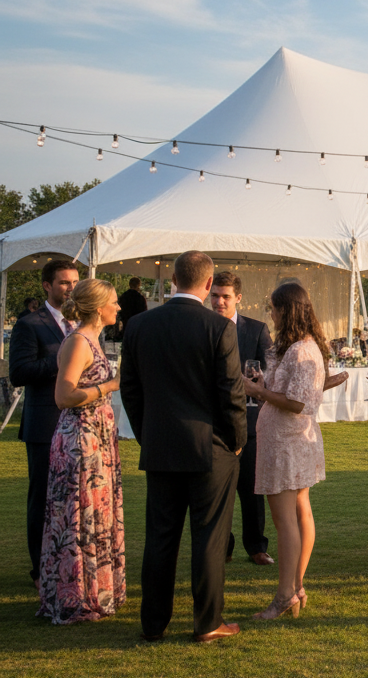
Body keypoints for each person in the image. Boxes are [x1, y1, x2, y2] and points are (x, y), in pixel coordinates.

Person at [121, 251, 248, 643]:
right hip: (211, 449)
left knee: (161, 536)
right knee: (209, 537)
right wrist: (237, 441)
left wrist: (148, 434)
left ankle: (153, 623)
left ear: (173, 279)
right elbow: (232, 394)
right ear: (209, 284)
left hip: (161, 446)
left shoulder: (140, 325)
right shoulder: (219, 327)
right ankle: (208, 622)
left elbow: (131, 390)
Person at [36, 279, 125, 624]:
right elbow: (63, 397)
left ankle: (95, 590)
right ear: (98, 306)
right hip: (79, 441)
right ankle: (75, 596)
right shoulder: (78, 342)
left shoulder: (92, 340)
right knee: (78, 518)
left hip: (95, 437)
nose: (118, 308)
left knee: (94, 515)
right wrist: (110, 385)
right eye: (114, 302)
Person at [244, 282, 329, 620]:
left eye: (274, 309)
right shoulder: (298, 347)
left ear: (287, 310)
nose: (271, 314)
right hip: (287, 438)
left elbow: (297, 403)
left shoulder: (301, 350)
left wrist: (255, 390)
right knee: (298, 513)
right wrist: (265, 384)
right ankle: (295, 587)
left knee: (286, 520)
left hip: (288, 441)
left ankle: (285, 596)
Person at [9, 259, 80, 589]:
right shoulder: (29, 324)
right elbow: (19, 373)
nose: (71, 288)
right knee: (43, 498)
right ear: (47, 286)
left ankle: (66, 562)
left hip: (76, 424)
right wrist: (64, 360)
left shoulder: (79, 323)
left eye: (74, 282)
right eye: (64, 282)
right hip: (43, 423)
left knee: (72, 499)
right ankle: (39, 571)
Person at [209, 272, 276, 567]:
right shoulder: (202, 326)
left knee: (252, 490)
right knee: (214, 493)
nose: (219, 301)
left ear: (238, 298)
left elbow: (270, 371)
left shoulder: (257, 329)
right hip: (212, 423)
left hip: (249, 422)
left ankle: (256, 546)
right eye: (215, 295)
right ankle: (221, 545)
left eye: (225, 296)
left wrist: (259, 382)